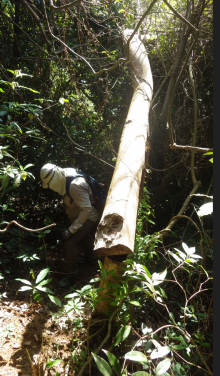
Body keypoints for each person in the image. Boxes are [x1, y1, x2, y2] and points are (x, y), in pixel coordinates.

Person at [40, 163, 99, 288]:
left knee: (70, 243)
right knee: (83, 236)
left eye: (49, 184)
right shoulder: (65, 174)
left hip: (89, 217)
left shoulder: (74, 185)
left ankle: (69, 275)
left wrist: (72, 229)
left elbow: (87, 210)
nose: (50, 187)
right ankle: (93, 260)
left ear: (54, 178)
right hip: (81, 217)